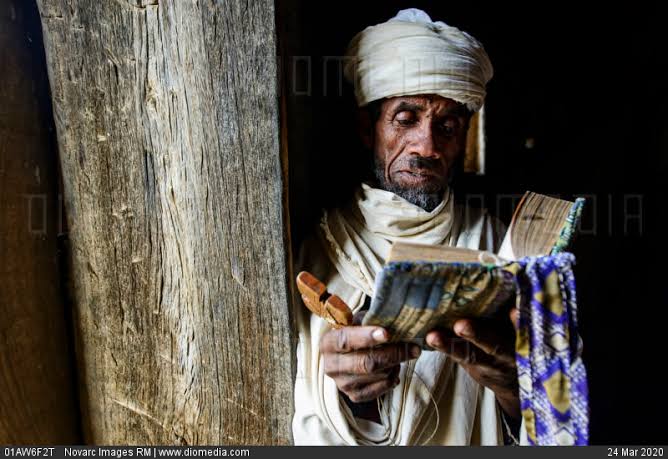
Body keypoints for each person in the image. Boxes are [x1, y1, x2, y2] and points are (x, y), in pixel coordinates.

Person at [292, 8, 524, 445]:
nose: (427, 146)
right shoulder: (318, 252)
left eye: (448, 126)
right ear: (368, 127)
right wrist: (352, 396)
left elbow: (554, 415)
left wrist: (514, 389)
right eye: (406, 118)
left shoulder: (502, 245)